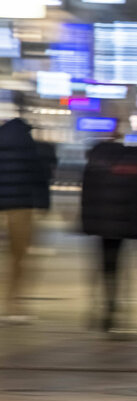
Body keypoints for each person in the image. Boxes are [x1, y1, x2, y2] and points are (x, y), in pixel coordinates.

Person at [81, 124, 137, 334]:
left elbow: (87, 197)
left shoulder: (94, 162)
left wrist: (87, 224)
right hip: (123, 226)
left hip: (101, 225)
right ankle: (119, 310)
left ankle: (103, 307)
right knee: (121, 267)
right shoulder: (129, 161)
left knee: (105, 266)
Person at [0, 91, 52, 324]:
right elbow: (39, 177)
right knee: (18, 257)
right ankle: (14, 306)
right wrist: (44, 203)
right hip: (21, 206)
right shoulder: (30, 143)